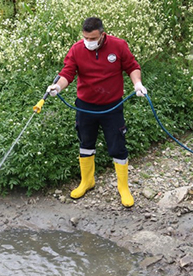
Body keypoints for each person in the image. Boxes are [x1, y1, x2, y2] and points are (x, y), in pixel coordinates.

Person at [45, 17, 147, 208]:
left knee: (117, 146)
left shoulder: (118, 46)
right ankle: (87, 181)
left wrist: (138, 84)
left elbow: (132, 66)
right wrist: (57, 87)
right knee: (86, 143)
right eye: (85, 38)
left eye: (92, 38)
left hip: (112, 107)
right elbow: (67, 73)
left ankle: (123, 187)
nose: (88, 42)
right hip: (85, 106)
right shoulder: (77, 49)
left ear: (102, 34)